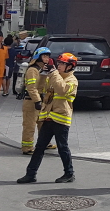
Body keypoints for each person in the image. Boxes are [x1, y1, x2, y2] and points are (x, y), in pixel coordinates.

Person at [17, 52, 79, 184]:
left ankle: (69, 173)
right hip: (49, 117)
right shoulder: (55, 76)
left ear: (70, 67)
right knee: (39, 147)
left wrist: (54, 73)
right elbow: (45, 89)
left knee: (63, 147)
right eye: (59, 63)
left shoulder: (72, 80)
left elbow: (62, 90)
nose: (59, 65)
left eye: (62, 64)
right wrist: (43, 73)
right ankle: (31, 174)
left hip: (61, 119)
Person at [18, 47, 51, 155]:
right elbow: (31, 88)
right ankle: (27, 147)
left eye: (48, 56)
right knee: (30, 125)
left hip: (41, 101)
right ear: (38, 57)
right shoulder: (32, 70)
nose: (47, 58)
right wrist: (37, 101)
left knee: (43, 125)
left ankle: (45, 143)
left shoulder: (41, 69)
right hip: (31, 102)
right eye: (44, 56)